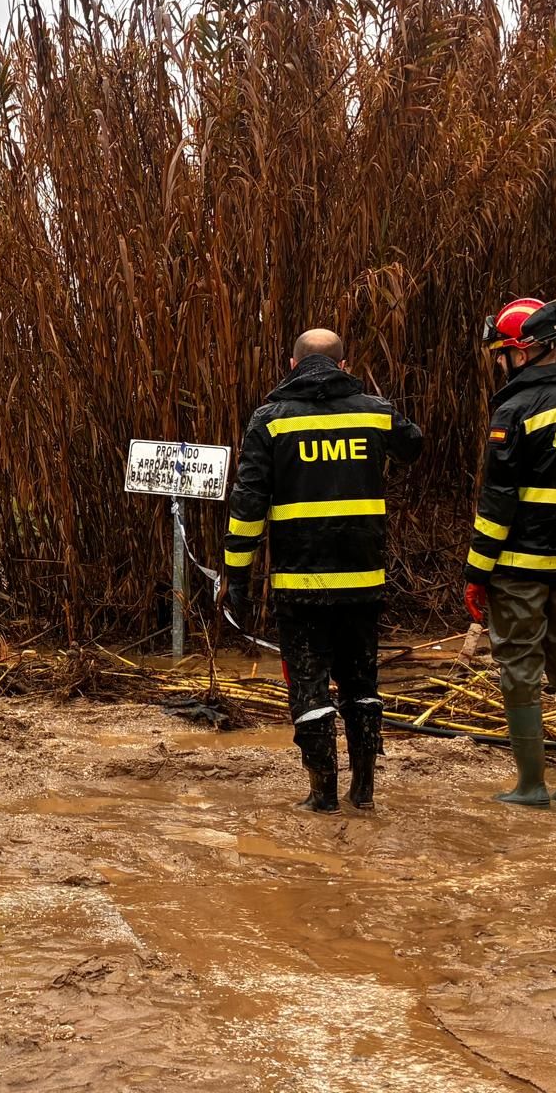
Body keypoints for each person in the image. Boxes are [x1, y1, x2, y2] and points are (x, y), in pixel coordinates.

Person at [221, 330, 423, 813]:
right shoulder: (374, 411)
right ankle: (365, 791)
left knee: (308, 686)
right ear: (343, 363)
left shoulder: (270, 421)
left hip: (302, 585)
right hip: (363, 582)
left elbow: (247, 505)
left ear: (291, 364)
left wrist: (237, 578)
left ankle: (322, 794)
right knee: (362, 683)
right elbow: (412, 444)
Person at [464, 298, 556, 809]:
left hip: (518, 568)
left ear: (524, 351)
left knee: (520, 669)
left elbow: (498, 501)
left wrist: (476, 569)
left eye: (503, 352)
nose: (501, 362)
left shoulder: (514, 411)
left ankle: (530, 786)